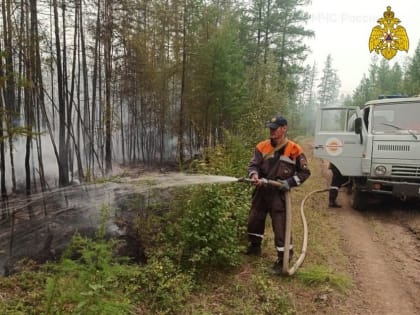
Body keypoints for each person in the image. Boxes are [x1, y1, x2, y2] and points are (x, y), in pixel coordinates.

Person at [246, 115, 311, 275]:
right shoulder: (262, 146)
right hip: (261, 191)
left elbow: (304, 173)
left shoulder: (294, 149)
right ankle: (255, 246)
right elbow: (253, 165)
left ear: (284, 128)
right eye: (270, 128)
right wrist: (254, 175)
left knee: (281, 227)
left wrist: (289, 183)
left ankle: (283, 259)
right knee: (255, 219)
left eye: (275, 128)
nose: (271, 130)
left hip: (279, 194)